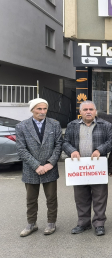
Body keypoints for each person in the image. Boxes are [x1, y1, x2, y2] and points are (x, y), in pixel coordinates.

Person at [62, 101, 112, 236]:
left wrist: (100, 149)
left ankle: (99, 224)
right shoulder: (72, 125)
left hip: (97, 167)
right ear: (80, 112)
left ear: (95, 111)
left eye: (91, 109)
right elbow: (65, 142)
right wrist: (72, 151)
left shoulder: (105, 125)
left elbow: (111, 142)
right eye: (85, 109)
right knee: (81, 197)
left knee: (100, 197)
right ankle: (83, 223)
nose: (88, 111)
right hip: (79, 168)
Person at [15, 98, 62, 237]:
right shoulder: (21, 126)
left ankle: (51, 222)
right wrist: (36, 166)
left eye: (44, 109)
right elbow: (21, 149)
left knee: (51, 198)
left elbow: (58, 145)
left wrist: (50, 163)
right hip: (31, 168)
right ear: (32, 110)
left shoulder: (54, 124)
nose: (42, 112)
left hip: (50, 167)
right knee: (31, 199)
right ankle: (31, 224)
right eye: (39, 109)